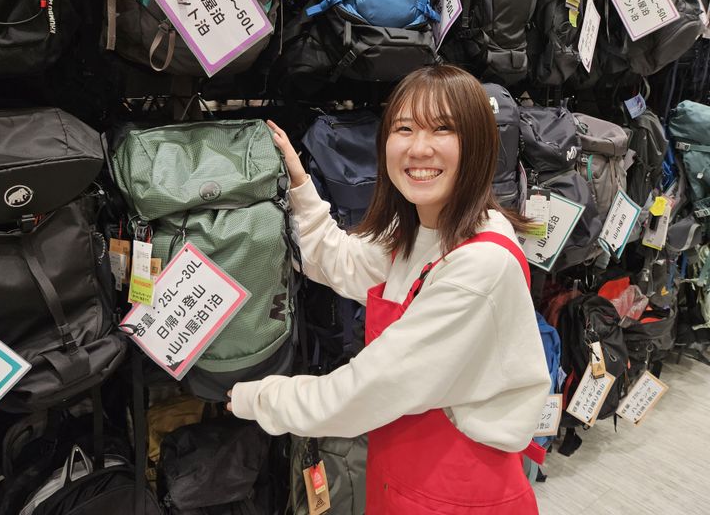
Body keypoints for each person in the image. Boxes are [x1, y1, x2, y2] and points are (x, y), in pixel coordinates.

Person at [228, 65, 551, 514]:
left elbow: (363, 391)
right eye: (404, 128)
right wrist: (301, 183)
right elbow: (341, 261)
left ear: (478, 144)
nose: (419, 148)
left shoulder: (479, 266)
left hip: (456, 494)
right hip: (405, 476)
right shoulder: (424, 231)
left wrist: (259, 397)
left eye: (443, 129)